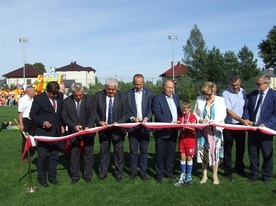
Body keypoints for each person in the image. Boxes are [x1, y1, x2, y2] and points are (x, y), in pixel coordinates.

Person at [94, 78, 129, 182]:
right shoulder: (98, 96)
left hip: (118, 130)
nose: (111, 91)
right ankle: (102, 174)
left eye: (113, 89)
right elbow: (94, 111)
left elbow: (126, 113)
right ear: (105, 88)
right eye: (109, 89)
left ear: (117, 88)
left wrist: (119, 122)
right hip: (104, 129)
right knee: (103, 152)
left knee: (119, 153)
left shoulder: (123, 96)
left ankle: (119, 175)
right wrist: (99, 121)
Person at [30, 81, 64, 188]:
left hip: (56, 132)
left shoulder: (60, 96)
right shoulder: (39, 99)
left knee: (54, 156)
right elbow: (32, 114)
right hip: (43, 133)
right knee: (42, 157)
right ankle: (42, 179)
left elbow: (60, 112)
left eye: (56, 94)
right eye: (53, 94)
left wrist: (62, 125)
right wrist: (43, 122)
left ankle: (53, 177)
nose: (55, 96)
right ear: (47, 92)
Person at [244, 74, 276, 184]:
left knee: (267, 154)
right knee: (253, 153)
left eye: (259, 84)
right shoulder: (253, 94)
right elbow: (247, 108)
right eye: (256, 83)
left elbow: (275, 114)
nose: (256, 86)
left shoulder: (273, 95)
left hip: (266, 130)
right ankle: (254, 174)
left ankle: (266, 176)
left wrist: (266, 124)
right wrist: (247, 118)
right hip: (253, 129)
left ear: (266, 84)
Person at [62, 83, 96, 184]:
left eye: (80, 95)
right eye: (76, 95)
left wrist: (88, 127)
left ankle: (88, 175)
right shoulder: (66, 102)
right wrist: (74, 126)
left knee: (88, 153)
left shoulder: (90, 99)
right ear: (72, 93)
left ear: (83, 91)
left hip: (88, 131)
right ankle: (75, 176)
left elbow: (92, 115)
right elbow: (65, 117)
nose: (78, 97)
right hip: (74, 132)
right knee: (74, 154)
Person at [194, 81, 226, 185]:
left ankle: (215, 175)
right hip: (202, 131)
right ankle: (204, 175)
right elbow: (195, 113)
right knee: (203, 152)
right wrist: (200, 120)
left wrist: (214, 122)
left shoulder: (220, 100)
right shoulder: (199, 99)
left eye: (209, 94)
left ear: (214, 92)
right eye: (205, 94)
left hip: (215, 131)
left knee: (215, 152)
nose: (207, 96)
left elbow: (223, 114)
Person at [126, 74, 154, 181]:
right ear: (133, 83)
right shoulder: (127, 94)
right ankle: (133, 171)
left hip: (145, 126)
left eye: (140, 84)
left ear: (143, 83)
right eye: (136, 84)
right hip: (133, 126)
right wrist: (132, 118)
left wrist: (147, 118)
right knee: (133, 150)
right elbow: (126, 109)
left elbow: (152, 108)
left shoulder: (150, 93)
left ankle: (143, 172)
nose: (138, 86)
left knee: (144, 150)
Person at [151, 80, 180, 183]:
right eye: (168, 88)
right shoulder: (157, 98)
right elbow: (158, 114)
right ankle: (159, 174)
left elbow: (179, 111)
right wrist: (171, 122)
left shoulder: (176, 97)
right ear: (164, 87)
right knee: (160, 154)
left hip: (173, 131)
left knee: (171, 154)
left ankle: (169, 172)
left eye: (172, 88)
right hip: (161, 131)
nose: (170, 90)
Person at [221, 75, 248, 181]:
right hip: (229, 124)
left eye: (237, 85)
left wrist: (245, 120)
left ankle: (240, 168)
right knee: (228, 148)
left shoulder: (243, 92)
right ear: (229, 84)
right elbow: (229, 111)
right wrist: (242, 120)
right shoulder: (225, 93)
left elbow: (245, 107)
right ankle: (228, 171)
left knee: (241, 148)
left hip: (241, 124)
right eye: (233, 85)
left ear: (240, 82)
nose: (235, 87)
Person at [174, 100, 197, 186]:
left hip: (190, 140)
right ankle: (182, 174)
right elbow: (178, 128)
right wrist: (177, 124)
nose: (184, 112)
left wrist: (183, 125)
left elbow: (193, 128)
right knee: (182, 157)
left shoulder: (193, 117)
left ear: (190, 109)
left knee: (189, 158)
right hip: (182, 140)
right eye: (183, 110)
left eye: (185, 110)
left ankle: (189, 175)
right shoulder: (180, 116)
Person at [17, 86, 36, 158]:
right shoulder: (23, 99)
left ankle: (31, 152)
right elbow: (20, 112)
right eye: (33, 91)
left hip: (33, 120)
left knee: (32, 137)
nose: (34, 92)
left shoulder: (33, 99)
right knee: (26, 138)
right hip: (26, 120)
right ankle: (24, 154)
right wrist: (21, 124)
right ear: (29, 91)